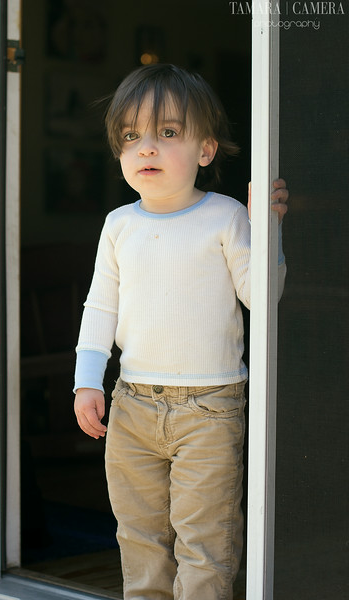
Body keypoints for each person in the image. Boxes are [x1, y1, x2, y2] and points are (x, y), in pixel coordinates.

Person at [74, 63, 288, 600]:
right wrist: (87, 380)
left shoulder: (226, 217)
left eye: (168, 132)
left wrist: (267, 229)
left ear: (205, 150)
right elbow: (100, 306)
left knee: (205, 543)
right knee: (140, 539)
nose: (146, 147)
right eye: (131, 136)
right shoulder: (119, 225)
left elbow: (262, 297)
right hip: (132, 404)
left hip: (209, 408)